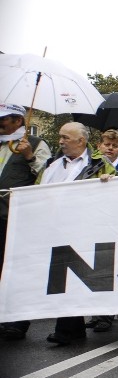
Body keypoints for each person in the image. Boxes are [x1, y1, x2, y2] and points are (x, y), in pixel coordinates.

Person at [38, 122, 116, 345]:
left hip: (86, 230)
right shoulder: (52, 166)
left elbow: (117, 191)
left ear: (81, 141)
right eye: (61, 137)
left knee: (72, 278)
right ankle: (74, 328)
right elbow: (37, 192)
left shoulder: (101, 165)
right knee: (64, 279)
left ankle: (66, 329)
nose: (61, 141)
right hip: (57, 228)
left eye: (66, 137)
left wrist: (108, 182)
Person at [0, 104, 51, 340]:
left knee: (15, 269)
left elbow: (47, 176)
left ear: (18, 121)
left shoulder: (37, 144)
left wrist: (30, 156)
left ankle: (17, 321)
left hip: (16, 215)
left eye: (4, 120)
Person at [85, 129, 118, 333]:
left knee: (112, 267)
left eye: (114, 146)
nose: (110, 148)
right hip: (96, 222)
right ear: (99, 146)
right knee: (97, 268)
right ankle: (97, 312)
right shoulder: (91, 167)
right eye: (107, 145)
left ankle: (107, 314)